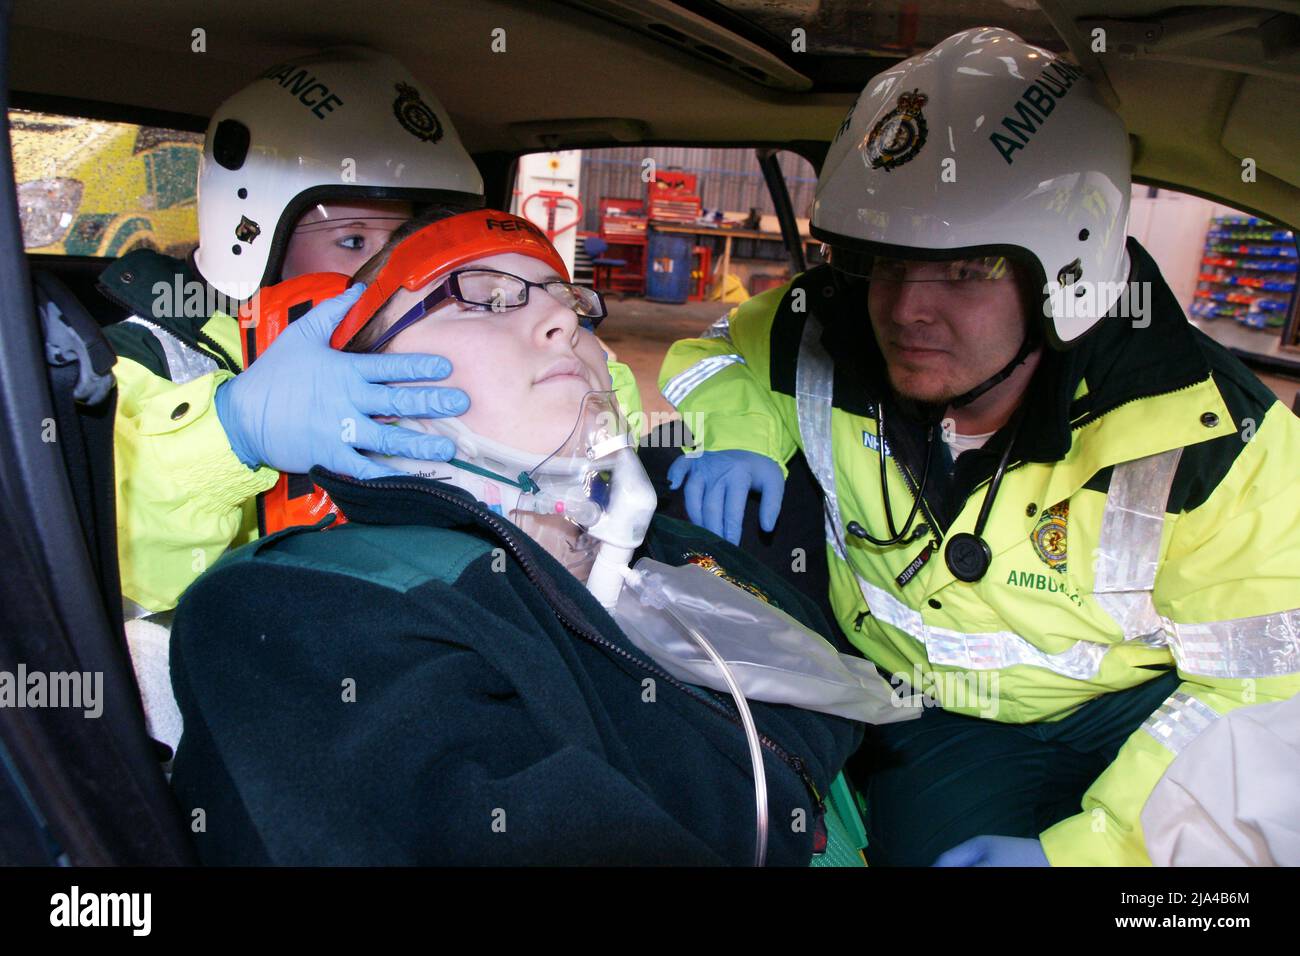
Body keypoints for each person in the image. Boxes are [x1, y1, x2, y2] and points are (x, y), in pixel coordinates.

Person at [658, 27, 1300, 866]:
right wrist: (735, 436)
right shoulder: (821, 326)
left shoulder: (1221, 441)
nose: (904, 311)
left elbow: (1262, 693)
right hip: (945, 717)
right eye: (887, 262)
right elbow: (718, 359)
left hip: (1149, 706)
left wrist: (1090, 855)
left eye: (966, 269)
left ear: (1067, 276)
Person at [166, 209, 866, 865]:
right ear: (365, 366)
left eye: (568, 301)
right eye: (485, 297)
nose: (563, 318)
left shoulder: (682, 542)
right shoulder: (306, 610)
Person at [103, 47, 484, 619]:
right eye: (353, 241)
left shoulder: (416, 334)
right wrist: (228, 436)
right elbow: (102, 565)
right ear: (255, 234)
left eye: (400, 242)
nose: (382, 270)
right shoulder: (137, 363)